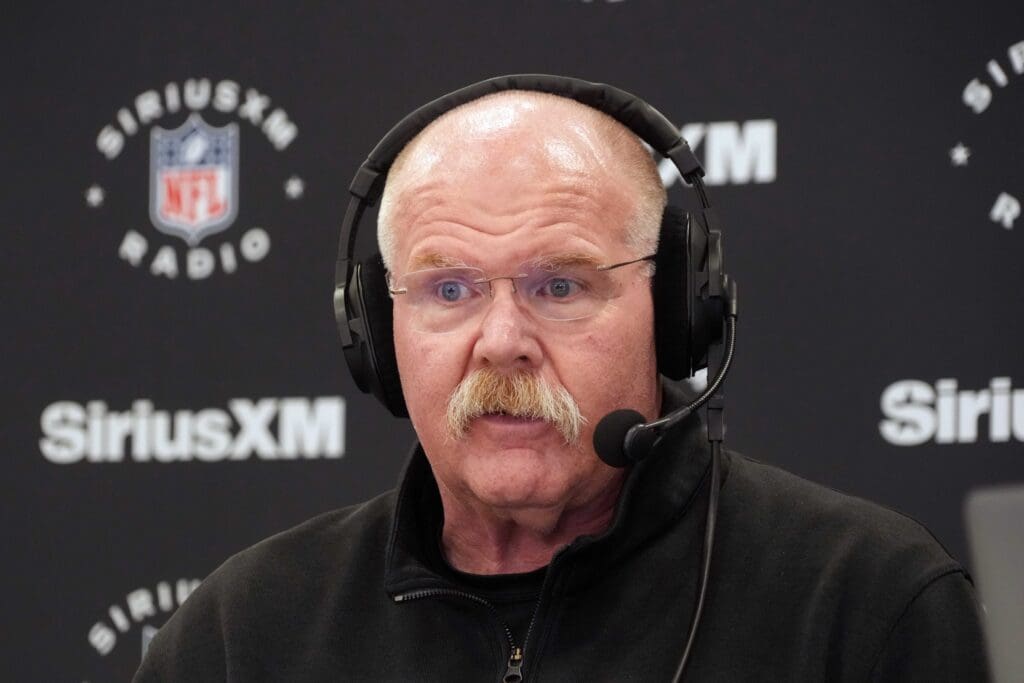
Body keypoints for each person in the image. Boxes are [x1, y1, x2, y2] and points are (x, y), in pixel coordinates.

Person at [135, 83, 990, 682]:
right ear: (374, 326)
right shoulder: (239, 635)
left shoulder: (861, 601)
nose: (502, 341)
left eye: (560, 285)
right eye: (449, 289)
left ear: (671, 306)